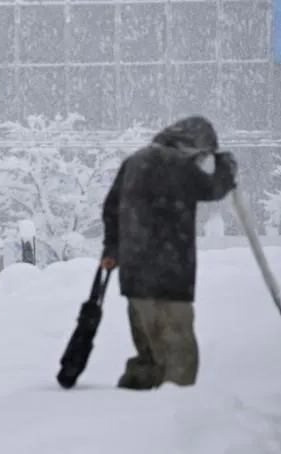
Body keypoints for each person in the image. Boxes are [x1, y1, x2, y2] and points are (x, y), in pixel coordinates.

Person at [100, 116, 237, 390]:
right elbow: (212, 188)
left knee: (147, 340)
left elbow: (111, 208)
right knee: (177, 346)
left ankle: (138, 389)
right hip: (170, 272)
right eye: (202, 154)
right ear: (192, 146)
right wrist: (225, 166)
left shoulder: (135, 161)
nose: (201, 160)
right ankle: (174, 406)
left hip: (135, 272)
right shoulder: (177, 164)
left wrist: (112, 248)